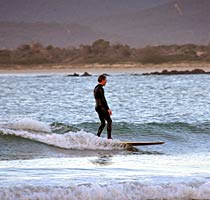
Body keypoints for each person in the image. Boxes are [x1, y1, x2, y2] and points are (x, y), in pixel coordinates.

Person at [94, 74, 112, 139]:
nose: (106, 81)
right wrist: (108, 109)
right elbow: (103, 99)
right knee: (109, 121)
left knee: (103, 123)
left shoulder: (96, 88)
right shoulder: (100, 88)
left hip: (97, 107)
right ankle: (109, 138)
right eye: (105, 80)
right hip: (101, 107)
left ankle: (97, 137)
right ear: (102, 80)